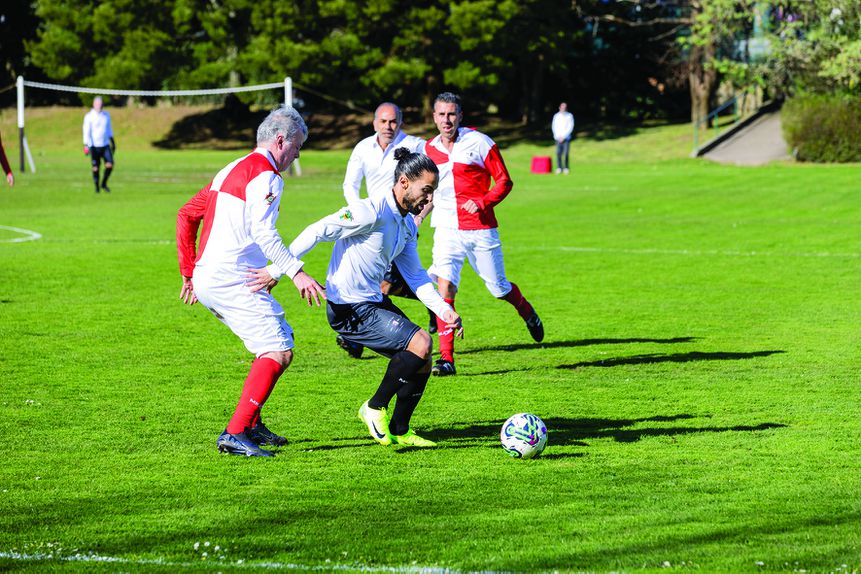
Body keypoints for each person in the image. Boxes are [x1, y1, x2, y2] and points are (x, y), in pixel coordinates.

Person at [176, 105, 325, 458]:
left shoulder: (231, 168)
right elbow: (264, 232)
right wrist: (296, 272)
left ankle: (252, 424)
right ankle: (236, 431)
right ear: (280, 141)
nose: (297, 155)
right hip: (232, 277)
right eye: (297, 147)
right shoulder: (267, 176)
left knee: (279, 342)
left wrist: (189, 272)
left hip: (213, 276)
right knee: (277, 350)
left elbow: (187, 213)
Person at [289, 148, 463, 447]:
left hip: (371, 301)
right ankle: (373, 407)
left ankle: (400, 429)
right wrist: (282, 269)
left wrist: (443, 309)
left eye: (433, 191)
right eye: (426, 190)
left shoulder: (406, 224)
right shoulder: (369, 210)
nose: (430, 198)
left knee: (422, 358)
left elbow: (416, 275)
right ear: (404, 182)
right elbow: (317, 230)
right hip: (347, 307)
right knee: (421, 342)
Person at [424, 92, 543, 377]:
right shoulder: (428, 149)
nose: (447, 120)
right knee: (445, 286)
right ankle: (447, 359)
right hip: (446, 228)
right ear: (434, 117)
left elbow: (504, 181)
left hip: (480, 229)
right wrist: (417, 216)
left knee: (498, 288)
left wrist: (482, 201)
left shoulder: (479, 142)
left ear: (460, 116)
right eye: (441, 114)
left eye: (452, 114)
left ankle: (526, 310)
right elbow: (429, 190)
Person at [336, 102, 435, 360]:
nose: (388, 126)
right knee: (380, 282)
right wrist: (358, 213)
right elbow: (350, 185)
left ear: (401, 122)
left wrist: (419, 217)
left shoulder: (415, 145)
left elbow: (432, 186)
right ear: (374, 123)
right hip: (372, 224)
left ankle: (355, 338)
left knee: (382, 284)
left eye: (393, 121)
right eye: (383, 121)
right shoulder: (363, 147)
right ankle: (432, 302)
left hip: (401, 224)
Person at [83, 96, 116, 193]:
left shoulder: (106, 115)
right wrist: (86, 145)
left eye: (100, 104)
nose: (99, 106)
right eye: (97, 104)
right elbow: (86, 131)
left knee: (110, 165)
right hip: (94, 146)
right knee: (95, 168)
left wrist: (113, 142)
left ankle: (104, 183)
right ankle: (97, 187)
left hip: (105, 145)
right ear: (94, 104)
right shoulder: (89, 116)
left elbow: (109, 129)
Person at [552, 102, 575, 174]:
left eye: (564, 108)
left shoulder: (569, 116)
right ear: (559, 108)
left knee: (566, 153)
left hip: (566, 138)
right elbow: (554, 127)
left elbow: (570, 127)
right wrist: (557, 136)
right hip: (558, 138)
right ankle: (559, 167)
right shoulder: (556, 116)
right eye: (562, 107)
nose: (563, 109)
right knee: (558, 153)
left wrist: (564, 136)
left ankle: (566, 167)